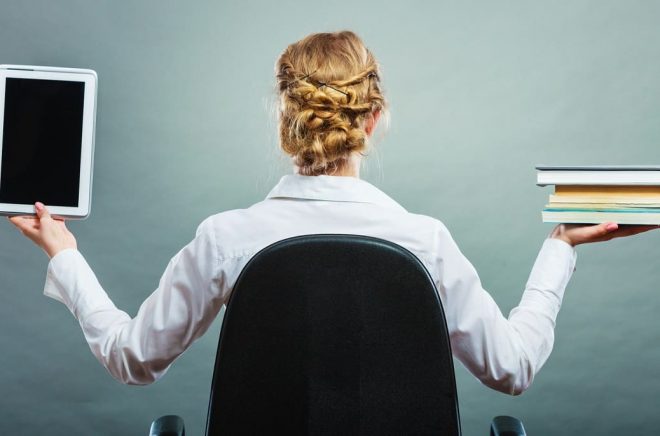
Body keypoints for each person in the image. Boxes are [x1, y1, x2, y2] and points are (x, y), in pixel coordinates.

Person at [8, 31, 657, 395]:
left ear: (285, 118)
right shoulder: (422, 241)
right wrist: (562, 246)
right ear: (373, 120)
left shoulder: (226, 239)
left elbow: (133, 358)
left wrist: (63, 253)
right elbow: (511, 369)